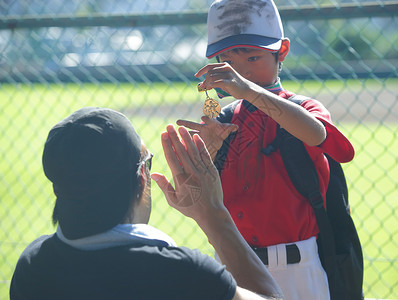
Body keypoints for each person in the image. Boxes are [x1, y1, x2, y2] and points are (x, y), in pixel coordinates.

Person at [176, 0, 355, 299]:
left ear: (281, 51)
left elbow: (325, 139)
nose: (241, 71)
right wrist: (207, 151)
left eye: (253, 57)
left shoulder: (303, 109)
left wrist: (250, 92)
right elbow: (198, 193)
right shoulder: (225, 120)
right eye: (229, 60)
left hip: (298, 268)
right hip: (235, 264)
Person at [9, 107, 284, 300]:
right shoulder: (184, 273)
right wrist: (213, 215)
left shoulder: (33, 267)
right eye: (147, 161)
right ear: (142, 175)